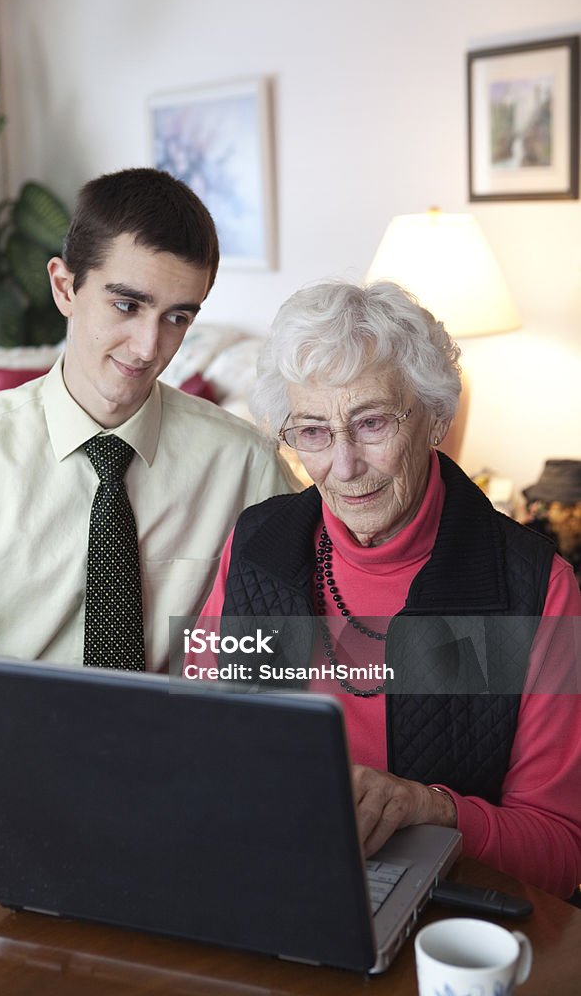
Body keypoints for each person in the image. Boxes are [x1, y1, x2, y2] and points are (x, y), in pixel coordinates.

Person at [0, 168, 297, 850]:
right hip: (5, 785)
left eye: (178, 316)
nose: (150, 347)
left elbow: (292, 653)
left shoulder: (246, 465)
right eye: (126, 305)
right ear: (64, 287)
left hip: (184, 792)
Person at [188, 279, 581, 899]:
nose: (344, 467)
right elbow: (200, 743)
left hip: (443, 923)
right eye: (313, 431)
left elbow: (561, 853)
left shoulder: (530, 589)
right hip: (266, 883)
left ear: (434, 418)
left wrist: (434, 809)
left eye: (371, 423)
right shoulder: (258, 549)